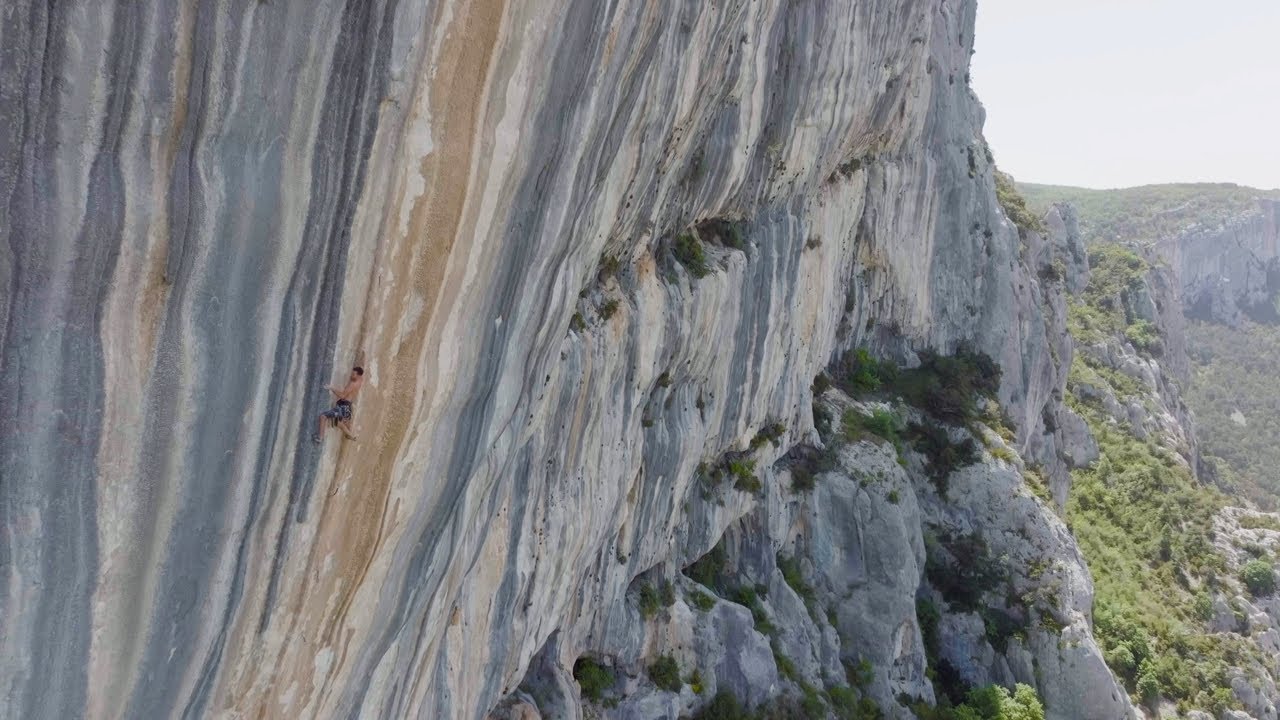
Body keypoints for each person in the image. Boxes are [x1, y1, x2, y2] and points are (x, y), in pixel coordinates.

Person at [315, 366, 364, 443]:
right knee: (338, 423)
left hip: (342, 407)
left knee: (323, 417)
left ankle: (320, 438)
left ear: (358, 375)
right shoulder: (360, 380)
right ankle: (350, 435)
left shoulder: (352, 384)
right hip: (347, 407)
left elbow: (342, 396)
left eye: (353, 374)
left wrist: (331, 388)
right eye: (352, 373)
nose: (351, 375)